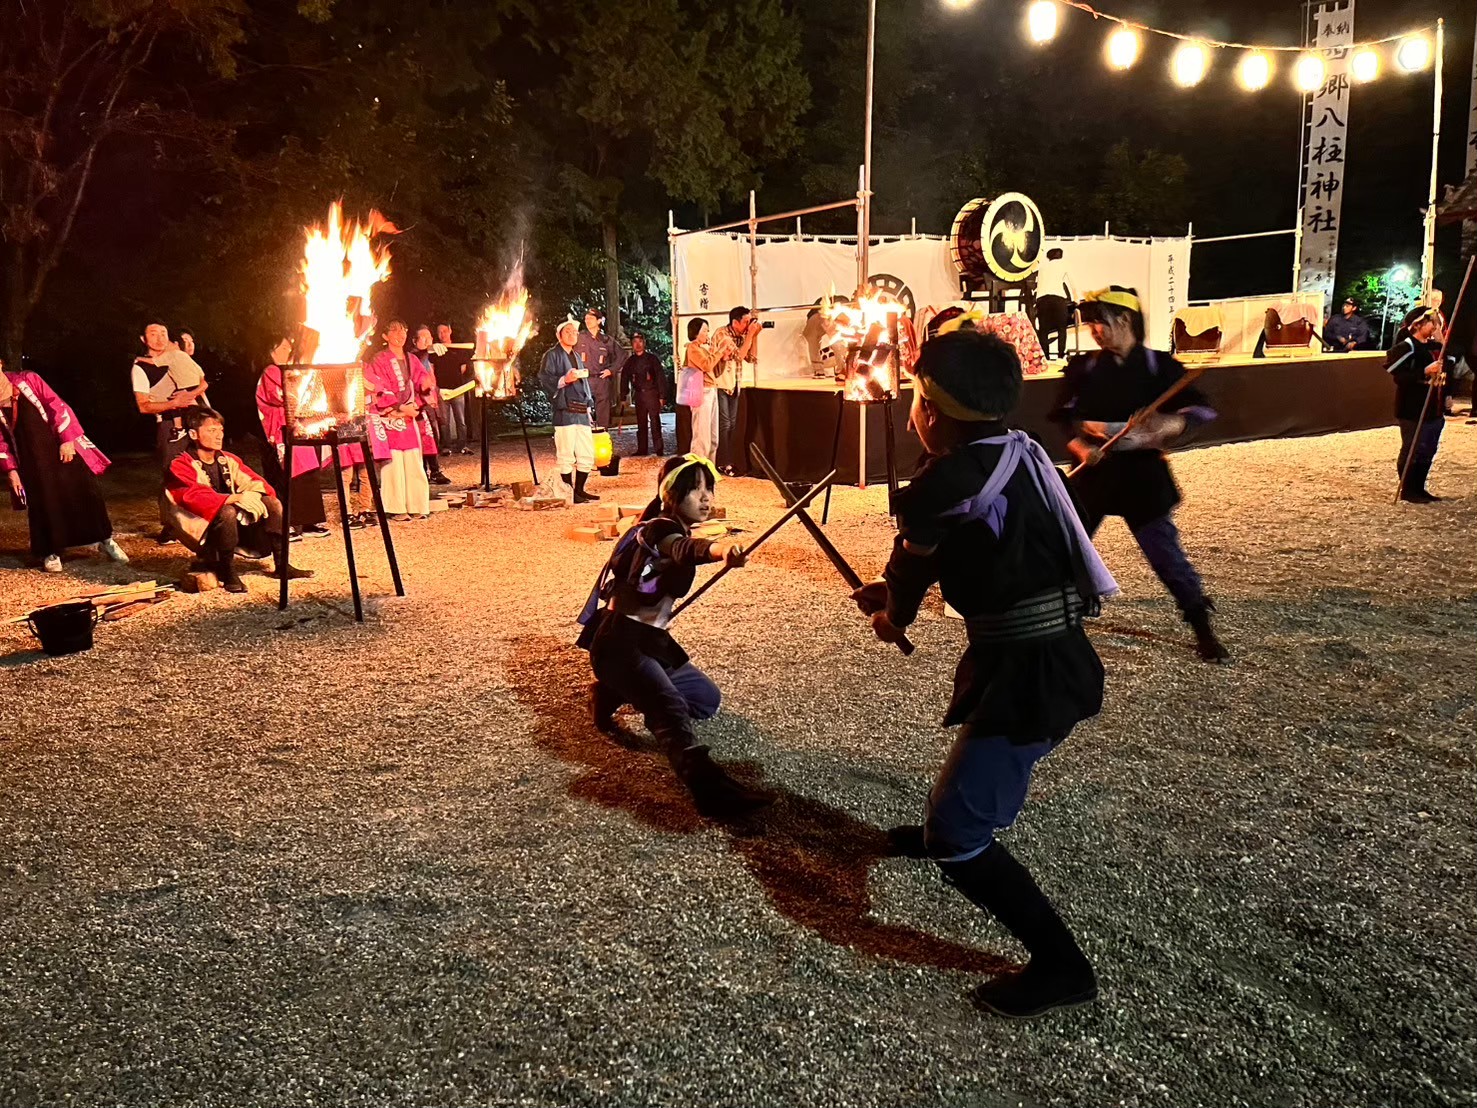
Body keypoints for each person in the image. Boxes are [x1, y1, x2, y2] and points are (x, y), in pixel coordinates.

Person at [852, 329, 1114, 1019]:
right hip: (1043, 655)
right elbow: (980, 544)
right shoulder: (1022, 452)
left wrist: (892, 615)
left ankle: (1062, 969)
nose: (912, 412)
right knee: (972, 780)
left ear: (933, 412)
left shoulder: (942, 483)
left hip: (1033, 673)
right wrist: (894, 592)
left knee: (958, 831)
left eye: (916, 400)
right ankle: (945, 830)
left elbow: (913, 567)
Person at [577, 454, 771, 817]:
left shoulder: (673, 527)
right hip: (620, 644)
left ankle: (609, 693)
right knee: (670, 708)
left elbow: (684, 547)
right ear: (671, 494)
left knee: (705, 700)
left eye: (709, 488)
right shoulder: (657, 529)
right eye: (694, 490)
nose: (705, 497)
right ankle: (710, 791)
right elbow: (683, 549)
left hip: (650, 641)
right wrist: (720, 550)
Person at [1051, 286, 1229, 662]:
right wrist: (1081, 445)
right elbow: (1064, 418)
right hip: (1094, 473)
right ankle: (1063, 617)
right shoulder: (1084, 368)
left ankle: (1200, 623)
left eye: (1100, 322)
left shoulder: (1158, 367)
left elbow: (1203, 410)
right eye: (1090, 324)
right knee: (1069, 549)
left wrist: (1169, 424)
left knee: (1166, 555)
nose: (1094, 331)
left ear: (1125, 320)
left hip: (1142, 476)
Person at [0, 358, 128, 573]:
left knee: (85, 492)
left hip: (60, 447)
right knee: (44, 501)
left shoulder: (28, 379)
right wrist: (11, 471)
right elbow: (0, 441)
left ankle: (105, 540)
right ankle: (50, 551)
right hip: (31, 459)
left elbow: (56, 405)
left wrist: (67, 440)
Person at [165, 408, 312, 592]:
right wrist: (235, 498)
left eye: (221, 430)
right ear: (193, 434)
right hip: (201, 526)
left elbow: (256, 482)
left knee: (272, 503)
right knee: (227, 511)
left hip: (231, 522)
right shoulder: (181, 464)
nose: (219, 435)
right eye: (212, 430)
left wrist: (253, 495)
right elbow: (192, 497)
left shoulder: (228, 459)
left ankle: (282, 564)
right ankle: (227, 570)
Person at [132, 321, 209, 542]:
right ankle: (170, 525)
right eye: (153, 333)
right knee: (173, 474)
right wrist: (174, 403)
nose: (159, 338)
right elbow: (143, 405)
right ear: (143, 339)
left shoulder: (179, 359)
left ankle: (204, 521)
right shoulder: (142, 368)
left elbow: (203, 383)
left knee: (203, 470)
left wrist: (190, 395)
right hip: (169, 425)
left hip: (196, 421)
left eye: (163, 333)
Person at [255, 338, 329, 538]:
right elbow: (281, 396)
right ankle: (286, 523)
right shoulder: (271, 371)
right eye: (283, 347)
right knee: (286, 475)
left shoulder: (291, 371)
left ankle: (309, 521)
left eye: (289, 347)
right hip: (281, 430)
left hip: (298, 427)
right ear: (272, 350)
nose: (288, 350)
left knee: (307, 473)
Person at [363, 320, 433, 520]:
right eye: (394, 330)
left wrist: (423, 393)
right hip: (390, 416)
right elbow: (378, 386)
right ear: (385, 336)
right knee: (393, 463)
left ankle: (417, 504)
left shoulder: (412, 359)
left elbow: (423, 380)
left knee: (413, 460)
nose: (400, 334)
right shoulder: (379, 359)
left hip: (410, 415)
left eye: (403, 330)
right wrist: (400, 407)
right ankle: (396, 507)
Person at [1385, 306, 1452, 504]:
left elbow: (1449, 365)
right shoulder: (1406, 347)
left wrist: (1442, 343)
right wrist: (1424, 371)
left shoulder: (1434, 347)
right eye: (1431, 322)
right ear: (1418, 325)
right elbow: (1398, 375)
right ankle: (1408, 489)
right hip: (1412, 408)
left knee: (1428, 450)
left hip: (1433, 407)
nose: (1435, 326)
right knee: (1412, 449)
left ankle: (1420, 488)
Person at [538, 319, 600, 503]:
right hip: (565, 409)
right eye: (568, 331)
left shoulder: (577, 356)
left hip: (581, 409)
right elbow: (545, 378)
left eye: (575, 332)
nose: (572, 335)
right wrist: (564, 380)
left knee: (586, 453)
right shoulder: (552, 355)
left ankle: (579, 490)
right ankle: (569, 492)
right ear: (559, 335)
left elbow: (584, 383)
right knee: (566, 454)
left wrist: (588, 406)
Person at [712, 306, 760, 475]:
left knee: (732, 425)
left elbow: (751, 358)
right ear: (735, 322)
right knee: (725, 424)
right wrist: (750, 335)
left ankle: (730, 461)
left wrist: (754, 336)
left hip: (734, 384)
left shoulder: (742, 336)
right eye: (745, 322)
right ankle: (723, 462)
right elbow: (738, 356)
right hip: (721, 384)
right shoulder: (722, 334)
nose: (748, 325)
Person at [680, 317, 731, 461]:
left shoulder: (703, 349)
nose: (707, 334)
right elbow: (706, 365)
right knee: (701, 437)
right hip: (701, 391)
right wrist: (720, 350)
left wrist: (723, 358)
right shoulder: (692, 348)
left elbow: (715, 371)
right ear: (696, 332)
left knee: (713, 438)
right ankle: (698, 469)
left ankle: (709, 468)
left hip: (711, 390)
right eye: (705, 331)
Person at [410, 325, 451, 486]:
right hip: (418, 401)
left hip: (432, 397)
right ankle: (425, 471)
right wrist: (430, 348)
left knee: (433, 434)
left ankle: (434, 470)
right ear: (415, 341)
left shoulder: (430, 357)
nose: (428, 340)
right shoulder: (412, 356)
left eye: (430, 337)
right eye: (424, 338)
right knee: (424, 436)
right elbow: (420, 356)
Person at [574, 308, 626, 431]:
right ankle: (584, 437)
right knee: (582, 411)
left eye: (591, 318)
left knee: (603, 413)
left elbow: (622, 355)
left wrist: (611, 370)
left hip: (601, 380)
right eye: (586, 319)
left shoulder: (606, 340)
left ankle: (602, 436)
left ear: (598, 321)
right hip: (583, 379)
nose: (587, 321)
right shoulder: (579, 337)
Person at [621, 332, 666, 456]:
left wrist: (662, 395)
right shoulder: (630, 362)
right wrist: (623, 396)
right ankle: (642, 449)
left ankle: (659, 448)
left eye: (640, 341)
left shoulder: (652, 359)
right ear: (632, 344)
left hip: (652, 394)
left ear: (644, 343)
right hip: (639, 395)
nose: (638, 344)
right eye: (635, 342)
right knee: (641, 423)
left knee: (655, 421)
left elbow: (660, 377)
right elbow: (624, 378)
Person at [430, 323, 473, 453]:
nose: (442, 334)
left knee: (461, 419)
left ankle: (462, 445)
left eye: (444, 331)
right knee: (444, 421)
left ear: (450, 331)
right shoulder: (435, 351)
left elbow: (463, 369)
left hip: (457, 389)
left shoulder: (458, 349)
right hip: (442, 390)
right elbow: (432, 370)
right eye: (439, 332)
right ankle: (446, 446)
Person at [1034, 247, 1075, 360]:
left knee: (1044, 330)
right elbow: (1072, 284)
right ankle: (1061, 356)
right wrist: (1075, 299)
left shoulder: (1042, 267)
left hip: (1042, 299)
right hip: (1058, 298)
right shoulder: (1063, 265)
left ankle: (1045, 357)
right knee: (1062, 328)